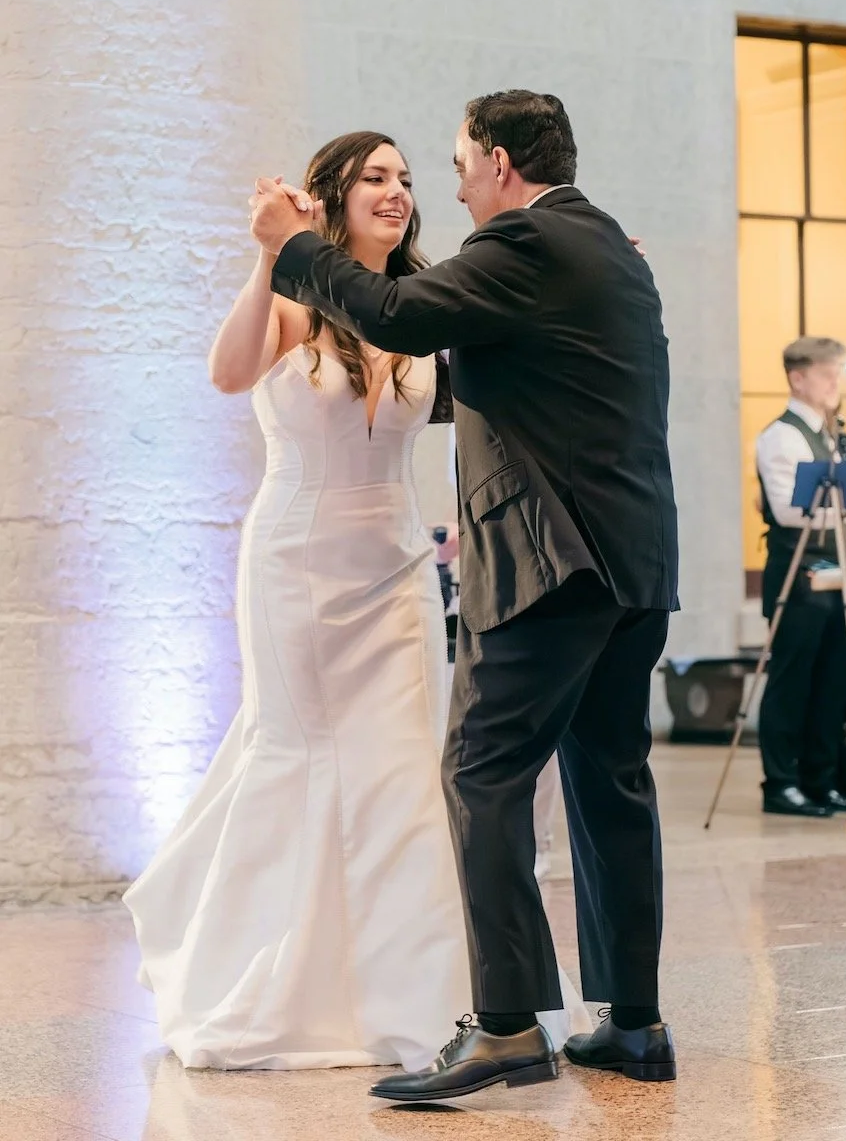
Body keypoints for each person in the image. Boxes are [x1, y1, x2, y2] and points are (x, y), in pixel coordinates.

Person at [123, 130, 587, 1073]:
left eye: (409, 179)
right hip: (296, 561)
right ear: (331, 195)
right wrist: (269, 256)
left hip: (396, 564)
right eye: (375, 177)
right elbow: (225, 371)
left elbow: (488, 409)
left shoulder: (418, 307)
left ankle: (416, 996)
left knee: (406, 764)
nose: (398, 192)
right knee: (295, 751)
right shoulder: (295, 303)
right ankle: (272, 981)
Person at [251, 88, 680, 1097]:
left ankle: (502, 1026)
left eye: (450, 163)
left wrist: (294, 246)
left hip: (553, 564)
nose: (445, 184)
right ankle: (632, 1021)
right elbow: (502, 382)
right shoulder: (612, 249)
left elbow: (398, 313)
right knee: (609, 780)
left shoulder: (523, 244)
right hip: (633, 566)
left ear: (495, 160)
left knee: (481, 772)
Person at [755, 336, 846, 818]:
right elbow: (791, 511)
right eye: (829, 374)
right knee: (791, 680)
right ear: (799, 377)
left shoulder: (832, 432)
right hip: (796, 577)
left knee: (834, 680)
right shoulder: (782, 435)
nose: (838, 383)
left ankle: (823, 778)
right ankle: (782, 783)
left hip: (837, 578)